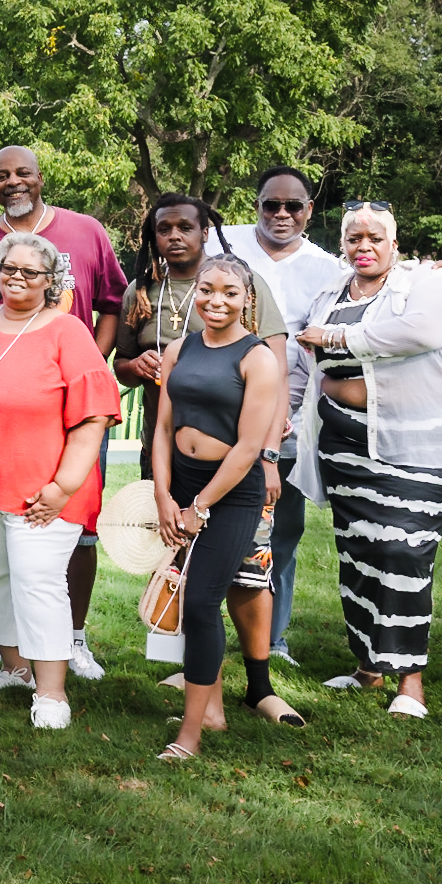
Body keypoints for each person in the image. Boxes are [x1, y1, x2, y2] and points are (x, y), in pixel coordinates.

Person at [0, 146, 126, 680]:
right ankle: (14, 668)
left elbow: (94, 411)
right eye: (9, 268)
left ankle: (53, 688)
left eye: (31, 270)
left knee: (39, 578)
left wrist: (63, 485)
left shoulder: (68, 327)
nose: (18, 276)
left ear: (52, 280)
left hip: (47, 474)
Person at [292, 201, 442, 720]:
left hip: (420, 451)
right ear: (342, 244)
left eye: (375, 238)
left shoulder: (425, 286)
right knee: (359, 555)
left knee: (402, 554)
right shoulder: (331, 293)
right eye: (354, 238)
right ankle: (368, 667)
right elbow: (307, 357)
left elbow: (421, 333)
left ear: (395, 243)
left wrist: (335, 338)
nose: (364, 247)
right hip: (347, 452)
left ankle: (410, 681)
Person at [114, 194, 292, 692]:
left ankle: (259, 685)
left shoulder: (241, 282)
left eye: (185, 227)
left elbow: (275, 371)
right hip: (168, 453)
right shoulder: (141, 290)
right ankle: (198, 676)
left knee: (248, 569)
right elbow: (121, 364)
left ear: (204, 232)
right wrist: (136, 365)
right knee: (183, 567)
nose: (174, 236)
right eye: (163, 228)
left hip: (240, 460)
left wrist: (269, 457)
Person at [150, 256, 298, 760]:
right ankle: (210, 712)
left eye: (230, 292)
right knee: (188, 599)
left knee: (200, 602)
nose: (216, 301)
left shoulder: (258, 358)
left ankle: (189, 736)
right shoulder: (179, 349)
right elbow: (163, 428)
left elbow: (249, 447)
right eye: (207, 290)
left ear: (247, 299)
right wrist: (164, 495)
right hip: (182, 485)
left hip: (231, 494)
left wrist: (199, 506)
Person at [224, 166, 340, 663]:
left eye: (293, 206)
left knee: (280, 531)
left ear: (309, 210)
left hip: (288, 419)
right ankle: (190, 633)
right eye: (271, 204)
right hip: (220, 411)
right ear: (257, 205)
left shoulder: (327, 268)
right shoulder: (223, 244)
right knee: (207, 526)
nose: (281, 214)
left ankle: (272, 638)